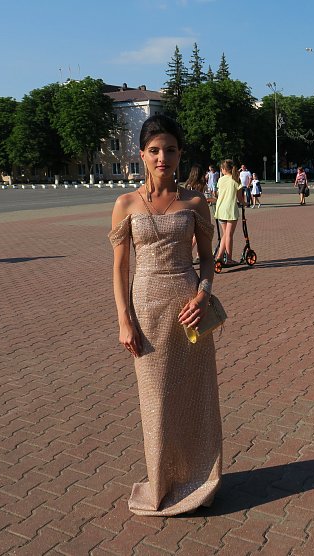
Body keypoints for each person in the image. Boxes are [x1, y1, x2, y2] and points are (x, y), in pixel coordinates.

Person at [108, 114, 221, 516]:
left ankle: (200, 480)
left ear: (179, 154)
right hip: (146, 311)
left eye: (170, 150)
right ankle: (162, 482)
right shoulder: (125, 204)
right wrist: (124, 320)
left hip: (189, 310)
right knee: (156, 400)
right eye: (154, 150)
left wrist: (203, 296)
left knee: (195, 396)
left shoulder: (195, 202)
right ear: (141, 154)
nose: (162, 158)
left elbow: (207, 260)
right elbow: (120, 268)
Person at [214, 160, 244, 263]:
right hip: (230, 210)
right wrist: (245, 203)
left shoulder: (221, 180)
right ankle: (229, 258)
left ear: (224, 169)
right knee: (229, 235)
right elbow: (240, 198)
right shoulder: (236, 180)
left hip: (220, 209)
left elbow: (218, 194)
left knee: (225, 234)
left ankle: (219, 257)